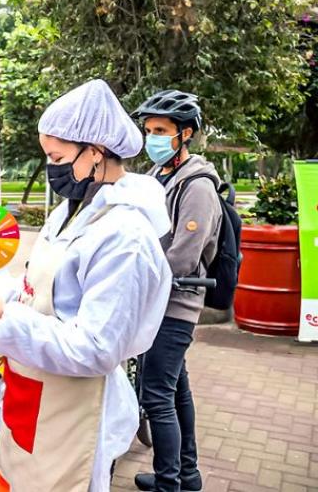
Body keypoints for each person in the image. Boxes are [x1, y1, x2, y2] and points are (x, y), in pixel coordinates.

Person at [0, 79, 172, 491]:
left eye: (58, 156)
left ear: (96, 152)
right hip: (33, 394)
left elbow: (98, 348)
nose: (52, 169)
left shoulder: (125, 236)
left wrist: (6, 318)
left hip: (76, 407)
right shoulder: (70, 212)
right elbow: (37, 289)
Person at [131, 90, 222, 492]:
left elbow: (183, 258)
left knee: (156, 396)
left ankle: (169, 485)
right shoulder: (155, 178)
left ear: (184, 133)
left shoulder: (197, 186)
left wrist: (136, 279)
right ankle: (187, 475)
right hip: (156, 302)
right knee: (176, 389)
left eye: (161, 130)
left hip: (176, 304)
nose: (152, 137)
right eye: (149, 130)